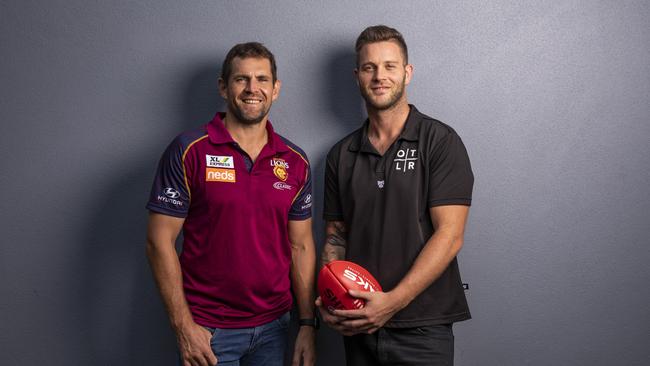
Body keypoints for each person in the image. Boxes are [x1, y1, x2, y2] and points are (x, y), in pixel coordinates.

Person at [146, 42, 316, 366]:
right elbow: (158, 242)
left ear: (276, 89)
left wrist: (307, 324)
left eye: (262, 79)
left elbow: (302, 247)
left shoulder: (295, 162)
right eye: (241, 79)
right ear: (224, 87)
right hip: (209, 331)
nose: (253, 89)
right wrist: (183, 326)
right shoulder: (189, 150)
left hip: (274, 328)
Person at [316, 25, 474, 365]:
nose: (379, 76)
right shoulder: (340, 155)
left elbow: (451, 235)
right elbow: (335, 238)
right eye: (370, 67)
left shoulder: (439, 141)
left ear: (407, 72)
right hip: (358, 325)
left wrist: (392, 302)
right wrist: (332, 299)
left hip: (423, 328)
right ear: (357, 76)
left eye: (389, 66)